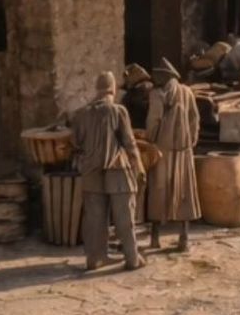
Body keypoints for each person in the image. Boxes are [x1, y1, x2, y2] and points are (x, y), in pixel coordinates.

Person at [70, 72, 144, 272]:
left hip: (90, 171)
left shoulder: (81, 114)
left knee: (94, 217)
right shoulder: (119, 111)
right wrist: (139, 167)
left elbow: (75, 142)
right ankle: (132, 258)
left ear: (97, 88)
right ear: (112, 89)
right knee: (124, 215)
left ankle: (95, 259)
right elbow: (129, 143)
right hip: (117, 170)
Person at [145, 59, 200, 252]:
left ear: (166, 75)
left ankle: (155, 238)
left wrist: (149, 140)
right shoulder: (187, 92)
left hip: (162, 149)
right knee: (184, 192)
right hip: (183, 149)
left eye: (158, 74)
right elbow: (194, 119)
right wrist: (190, 141)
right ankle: (184, 238)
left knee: (158, 192)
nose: (155, 77)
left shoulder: (157, 95)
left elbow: (154, 121)